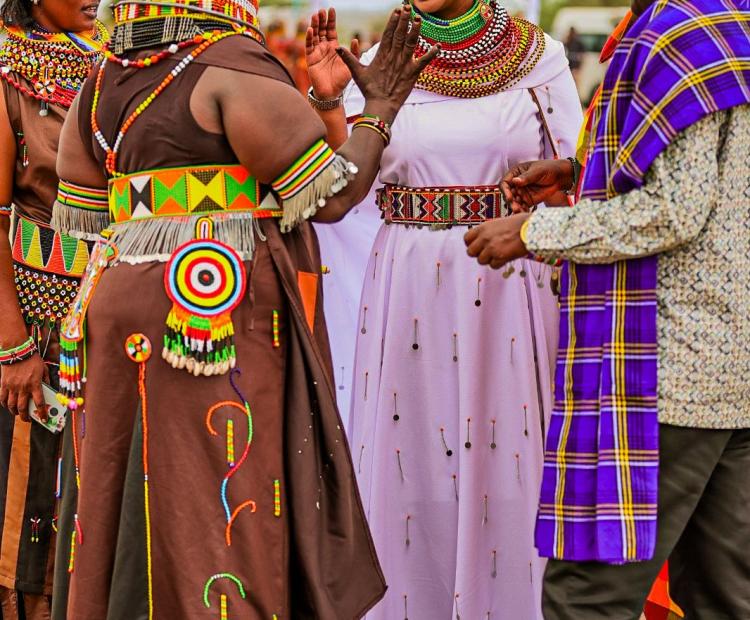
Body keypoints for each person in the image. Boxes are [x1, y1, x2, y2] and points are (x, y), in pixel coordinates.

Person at [49, 1, 437, 618]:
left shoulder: (99, 82)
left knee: (125, 484)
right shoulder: (229, 64)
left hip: (114, 305)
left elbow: (83, 212)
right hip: (203, 313)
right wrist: (381, 111)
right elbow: (331, 195)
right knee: (218, 495)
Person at [464, 0, 750, 616]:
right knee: (725, 596)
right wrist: (579, 172)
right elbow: (712, 177)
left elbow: (674, 208)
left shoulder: (680, 30)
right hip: (730, 365)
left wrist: (536, 231)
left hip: (661, 370)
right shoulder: (729, 20)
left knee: (587, 599)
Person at [305, 1, 582, 617]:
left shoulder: (540, 59)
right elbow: (347, 188)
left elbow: (579, 180)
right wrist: (330, 104)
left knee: (508, 461)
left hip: (511, 283)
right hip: (408, 287)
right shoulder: (377, 63)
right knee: (414, 466)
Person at [0, 2, 106, 618]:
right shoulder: (7, 73)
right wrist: (13, 348)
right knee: (33, 508)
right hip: (38, 332)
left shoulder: (132, 63)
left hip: (119, 329)